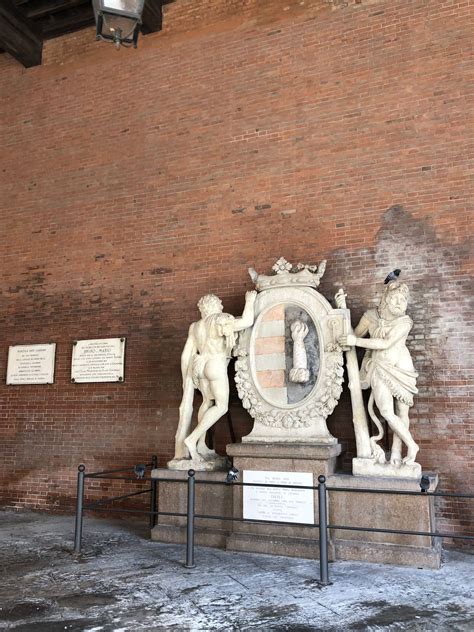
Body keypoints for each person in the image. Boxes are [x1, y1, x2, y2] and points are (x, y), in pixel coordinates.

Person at [169, 290, 257, 469]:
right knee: (221, 406)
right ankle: (192, 439)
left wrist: (185, 378)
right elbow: (247, 321)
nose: (222, 306)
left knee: (207, 402)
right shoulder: (219, 319)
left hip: (200, 365)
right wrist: (250, 301)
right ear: (214, 305)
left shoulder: (195, 326)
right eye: (219, 303)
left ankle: (202, 444)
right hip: (215, 365)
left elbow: (186, 355)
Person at [338, 281, 419, 465]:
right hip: (379, 367)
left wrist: (355, 341)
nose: (399, 303)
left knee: (402, 412)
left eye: (403, 300)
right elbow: (354, 335)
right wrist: (343, 309)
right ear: (385, 299)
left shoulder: (405, 322)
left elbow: (384, 343)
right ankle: (413, 445)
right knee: (386, 411)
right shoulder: (370, 317)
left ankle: (397, 454)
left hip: (403, 370)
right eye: (395, 298)